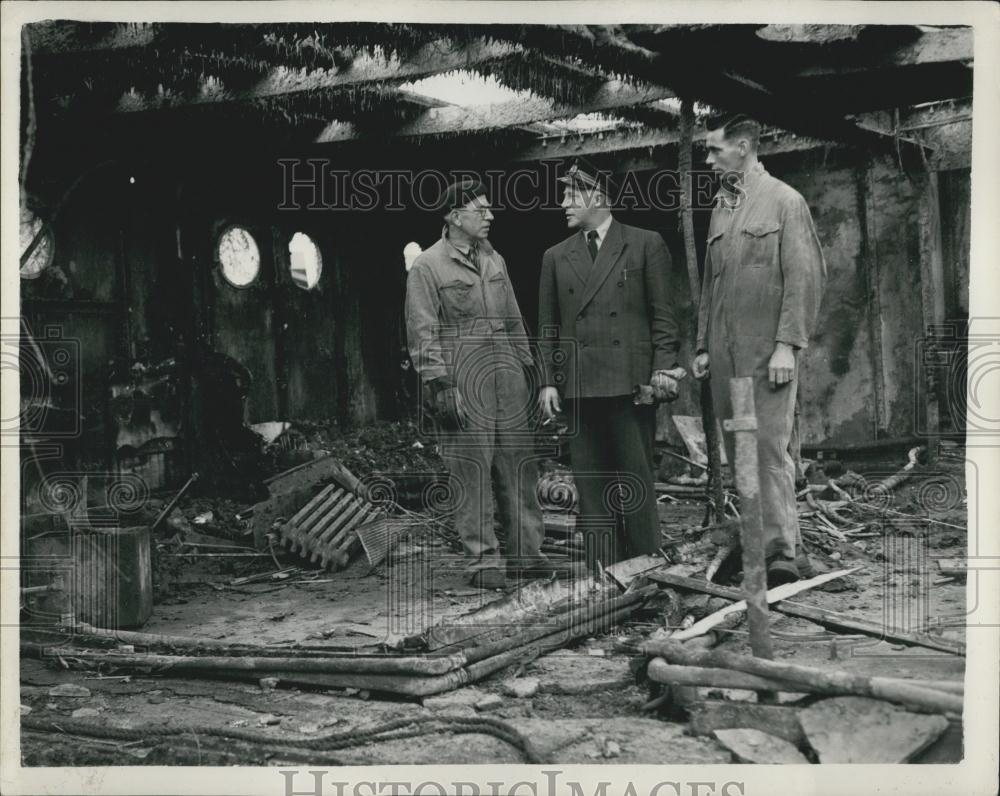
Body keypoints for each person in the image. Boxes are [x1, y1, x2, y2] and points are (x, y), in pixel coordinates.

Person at [405, 177, 581, 589]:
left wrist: (532, 374)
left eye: (489, 208)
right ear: (453, 216)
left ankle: (528, 556)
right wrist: (439, 385)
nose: (490, 215)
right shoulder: (427, 267)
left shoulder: (493, 260)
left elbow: (513, 319)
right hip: (463, 381)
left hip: (508, 379)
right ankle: (482, 563)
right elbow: (421, 331)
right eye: (480, 209)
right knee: (472, 473)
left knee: (520, 468)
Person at [693, 113, 827, 586]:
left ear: (744, 147)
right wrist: (703, 344)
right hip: (725, 357)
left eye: (715, 150)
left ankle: (781, 554)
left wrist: (787, 345)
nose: (708, 160)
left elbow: (804, 277)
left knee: (769, 451)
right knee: (739, 451)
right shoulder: (723, 208)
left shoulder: (785, 201)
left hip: (766, 355)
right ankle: (755, 544)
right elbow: (712, 284)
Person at [537, 158, 683, 570]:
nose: (563, 202)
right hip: (579, 386)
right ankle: (603, 572)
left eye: (571, 194)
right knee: (591, 483)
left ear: (597, 196)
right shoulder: (554, 256)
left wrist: (663, 369)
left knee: (635, 478)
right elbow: (547, 326)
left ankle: (646, 564)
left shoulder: (644, 243)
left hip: (630, 384)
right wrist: (548, 381)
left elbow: (664, 317)